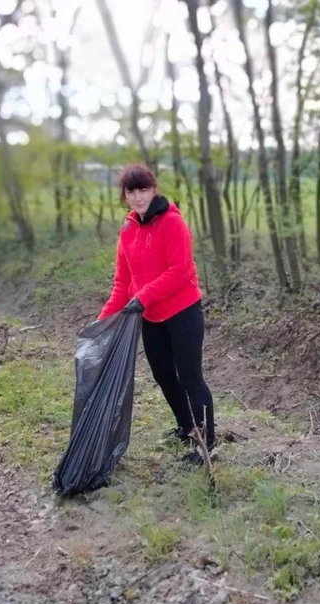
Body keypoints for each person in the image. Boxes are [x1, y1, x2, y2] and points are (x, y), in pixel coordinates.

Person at [98, 163, 216, 464]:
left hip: (183, 312)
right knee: (163, 375)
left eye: (144, 189)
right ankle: (187, 427)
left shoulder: (172, 223)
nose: (138, 197)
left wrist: (143, 296)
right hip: (151, 316)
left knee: (191, 379)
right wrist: (102, 324)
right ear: (124, 196)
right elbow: (122, 282)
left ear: (153, 189)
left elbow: (181, 271)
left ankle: (206, 445)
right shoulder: (127, 231)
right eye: (131, 191)